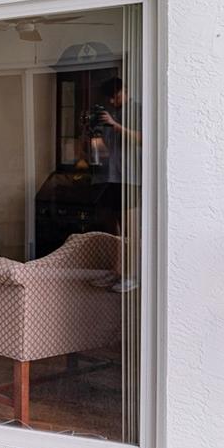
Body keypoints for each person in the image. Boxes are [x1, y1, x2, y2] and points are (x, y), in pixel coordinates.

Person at [90, 76, 141, 294]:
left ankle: (132, 275)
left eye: (116, 95)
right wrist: (92, 133)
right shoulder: (107, 115)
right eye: (110, 98)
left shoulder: (137, 110)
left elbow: (143, 139)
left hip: (129, 177)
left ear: (125, 90)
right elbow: (102, 151)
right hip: (106, 177)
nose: (113, 101)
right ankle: (115, 271)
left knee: (130, 229)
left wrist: (115, 125)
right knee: (111, 228)